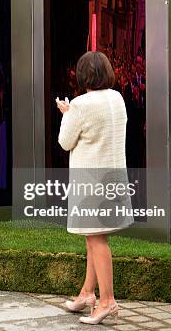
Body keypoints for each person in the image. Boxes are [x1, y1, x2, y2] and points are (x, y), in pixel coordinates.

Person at [57, 51, 133, 325]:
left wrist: (67, 114)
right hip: (113, 177)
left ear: (82, 75)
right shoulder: (117, 98)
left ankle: (107, 300)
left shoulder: (79, 104)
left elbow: (65, 142)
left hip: (91, 181)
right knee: (94, 237)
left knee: (96, 240)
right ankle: (88, 293)